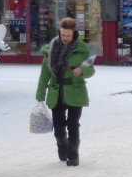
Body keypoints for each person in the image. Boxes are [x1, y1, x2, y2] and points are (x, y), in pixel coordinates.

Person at [35, 17, 94, 167]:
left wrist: (82, 71)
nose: (65, 38)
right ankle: (63, 146)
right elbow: (44, 74)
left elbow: (91, 69)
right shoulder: (51, 49)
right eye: (63, 35)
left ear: (74, 34)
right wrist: (40, 95)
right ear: (59, 33)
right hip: (56, 91)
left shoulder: (81, 49)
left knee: (73, 124)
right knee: (58, 126)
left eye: (68, 35)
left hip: (75, 91)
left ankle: (73, 156)